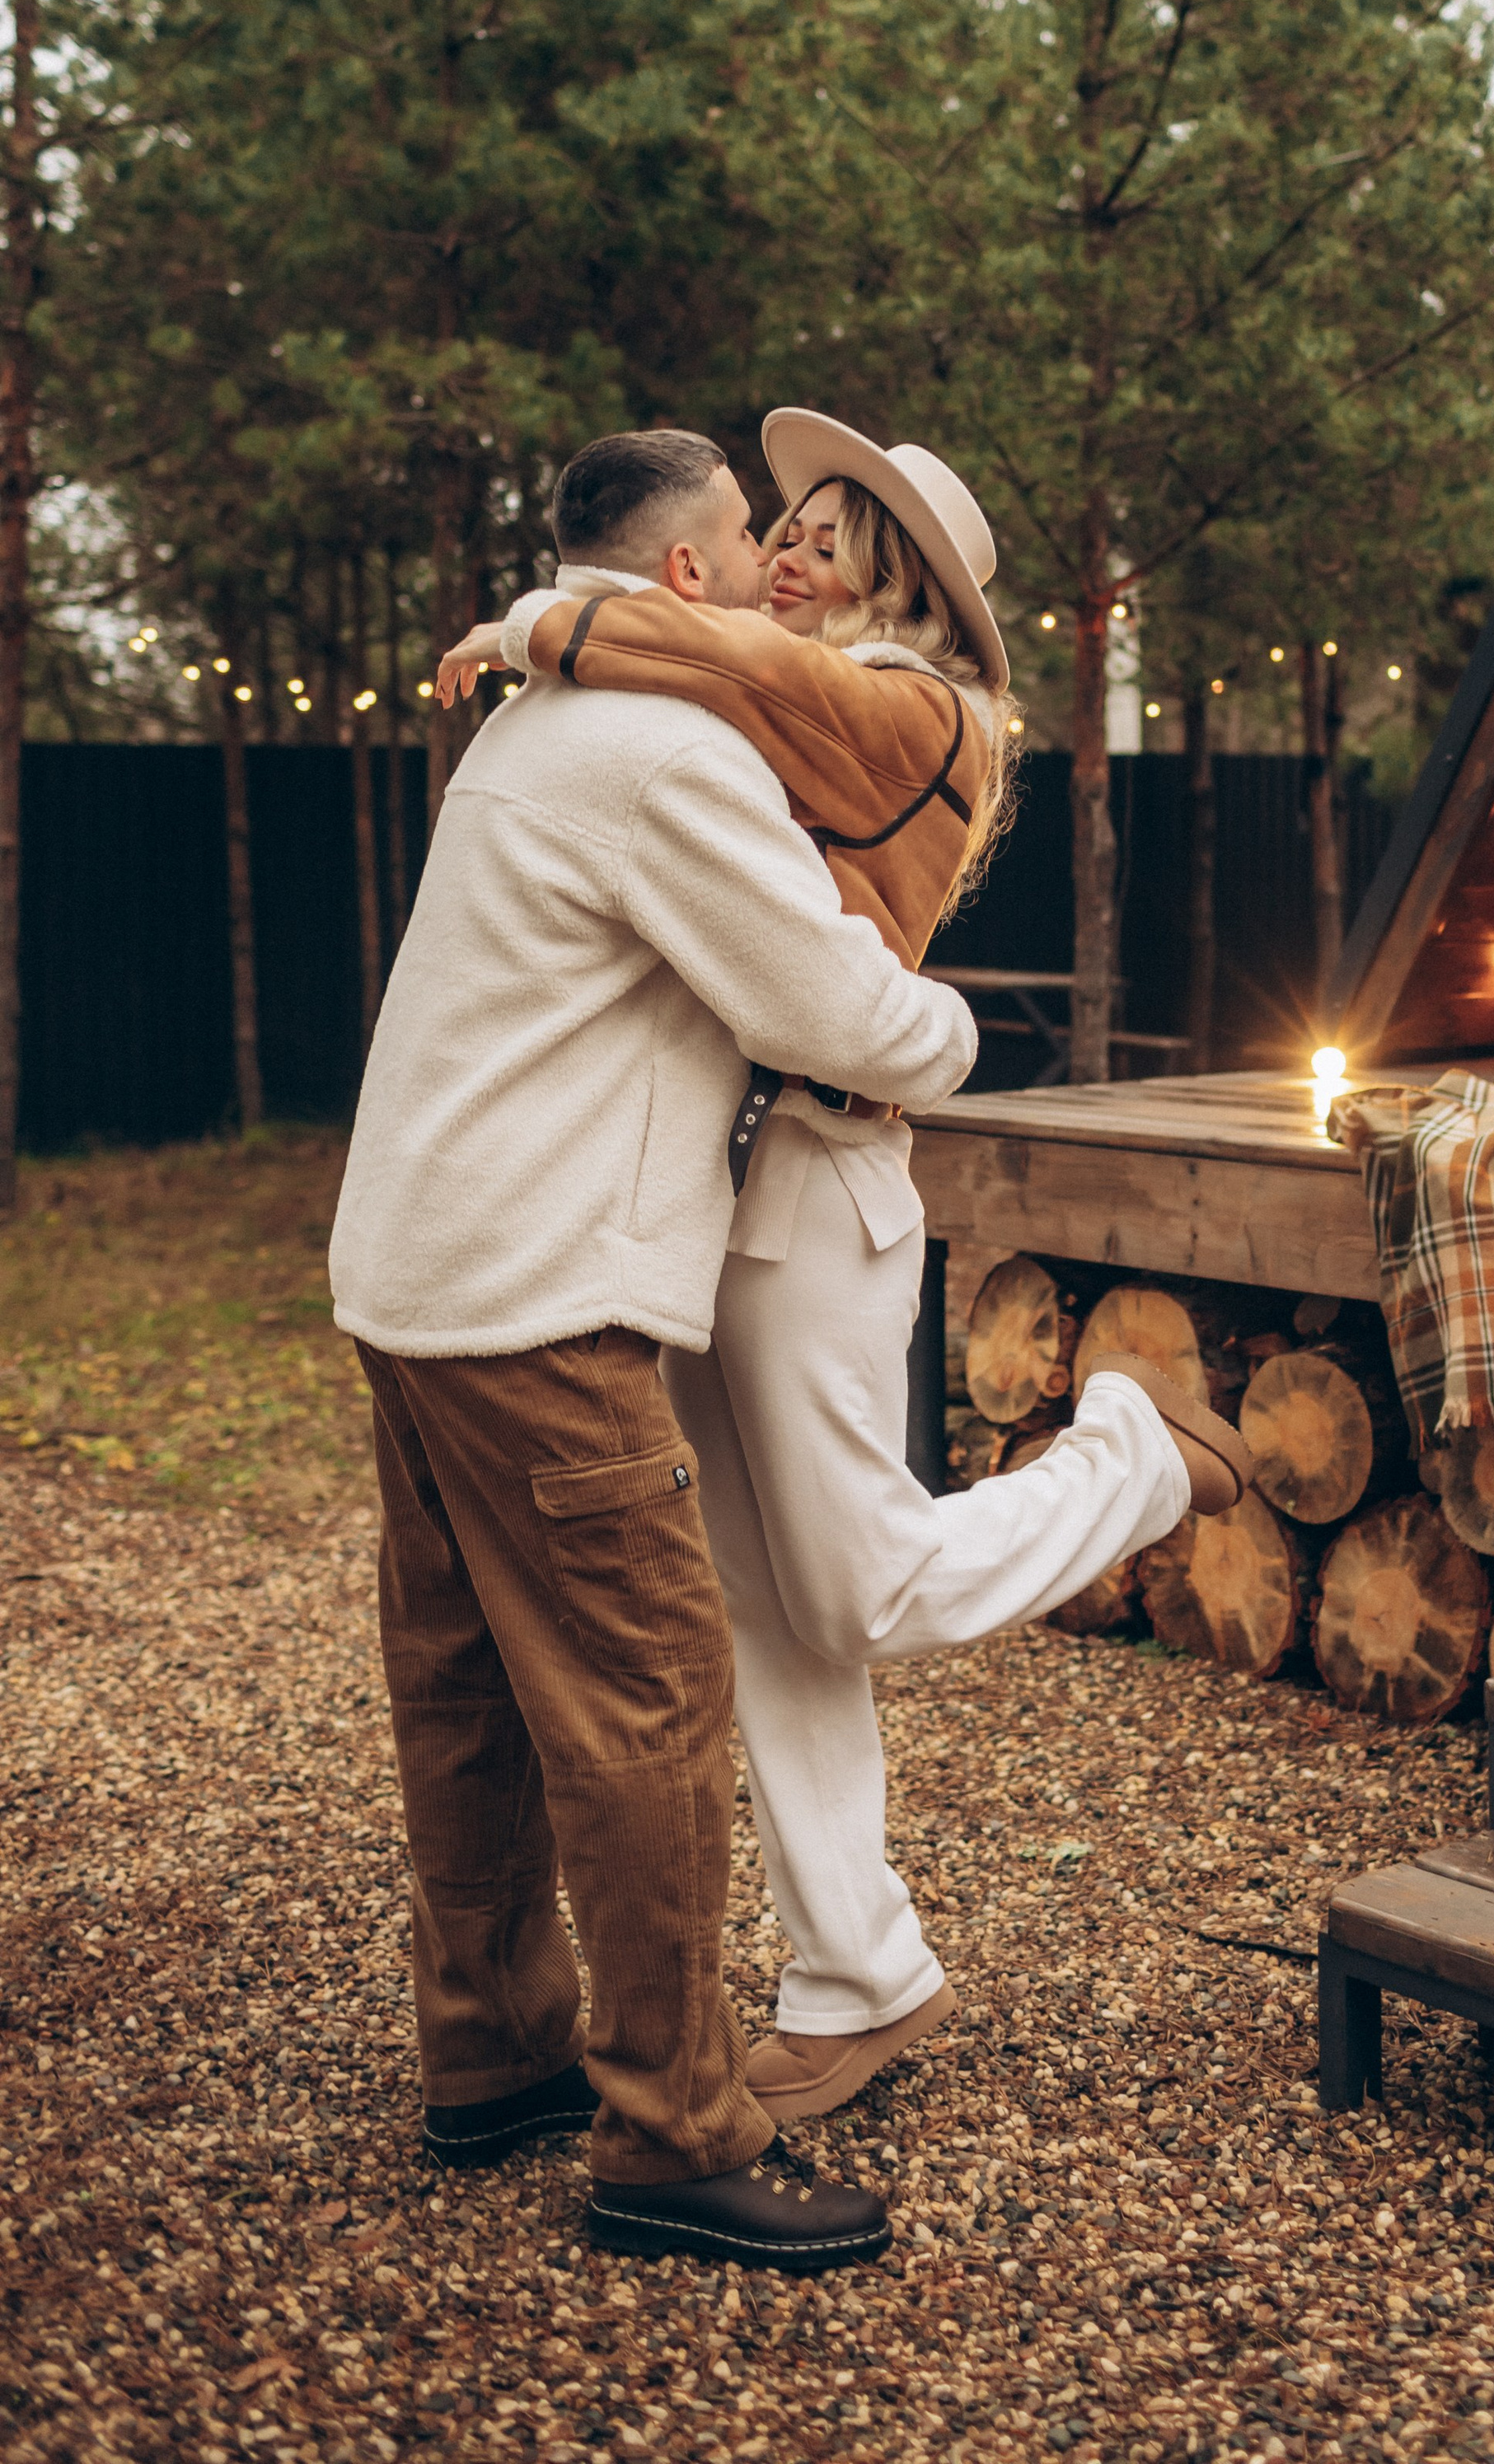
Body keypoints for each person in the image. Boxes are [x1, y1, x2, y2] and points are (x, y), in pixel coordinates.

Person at [438, 409, 1249, 2124]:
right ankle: (857, 1970)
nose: (786, 550)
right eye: (780, 523)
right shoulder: (770, 699)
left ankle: (1133, 1460)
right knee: (768, 1614)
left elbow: (677, 638)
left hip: (819, 1191)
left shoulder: (916, 711)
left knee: (862, 1588)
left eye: (825, 529)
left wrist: (533, 623)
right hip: (701, 1203)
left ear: (898, 577)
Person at [330, 426, 986, 2272]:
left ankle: (494, 2052)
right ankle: (673, 2137)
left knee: (465, 1691)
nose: (777, 562)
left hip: (410, 1272)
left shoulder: (533, 725)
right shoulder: (671, 756)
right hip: (539, 1295)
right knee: (647, 1704)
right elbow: (832, 1008)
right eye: (749, 540)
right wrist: (950, 1036)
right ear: (687, 581)